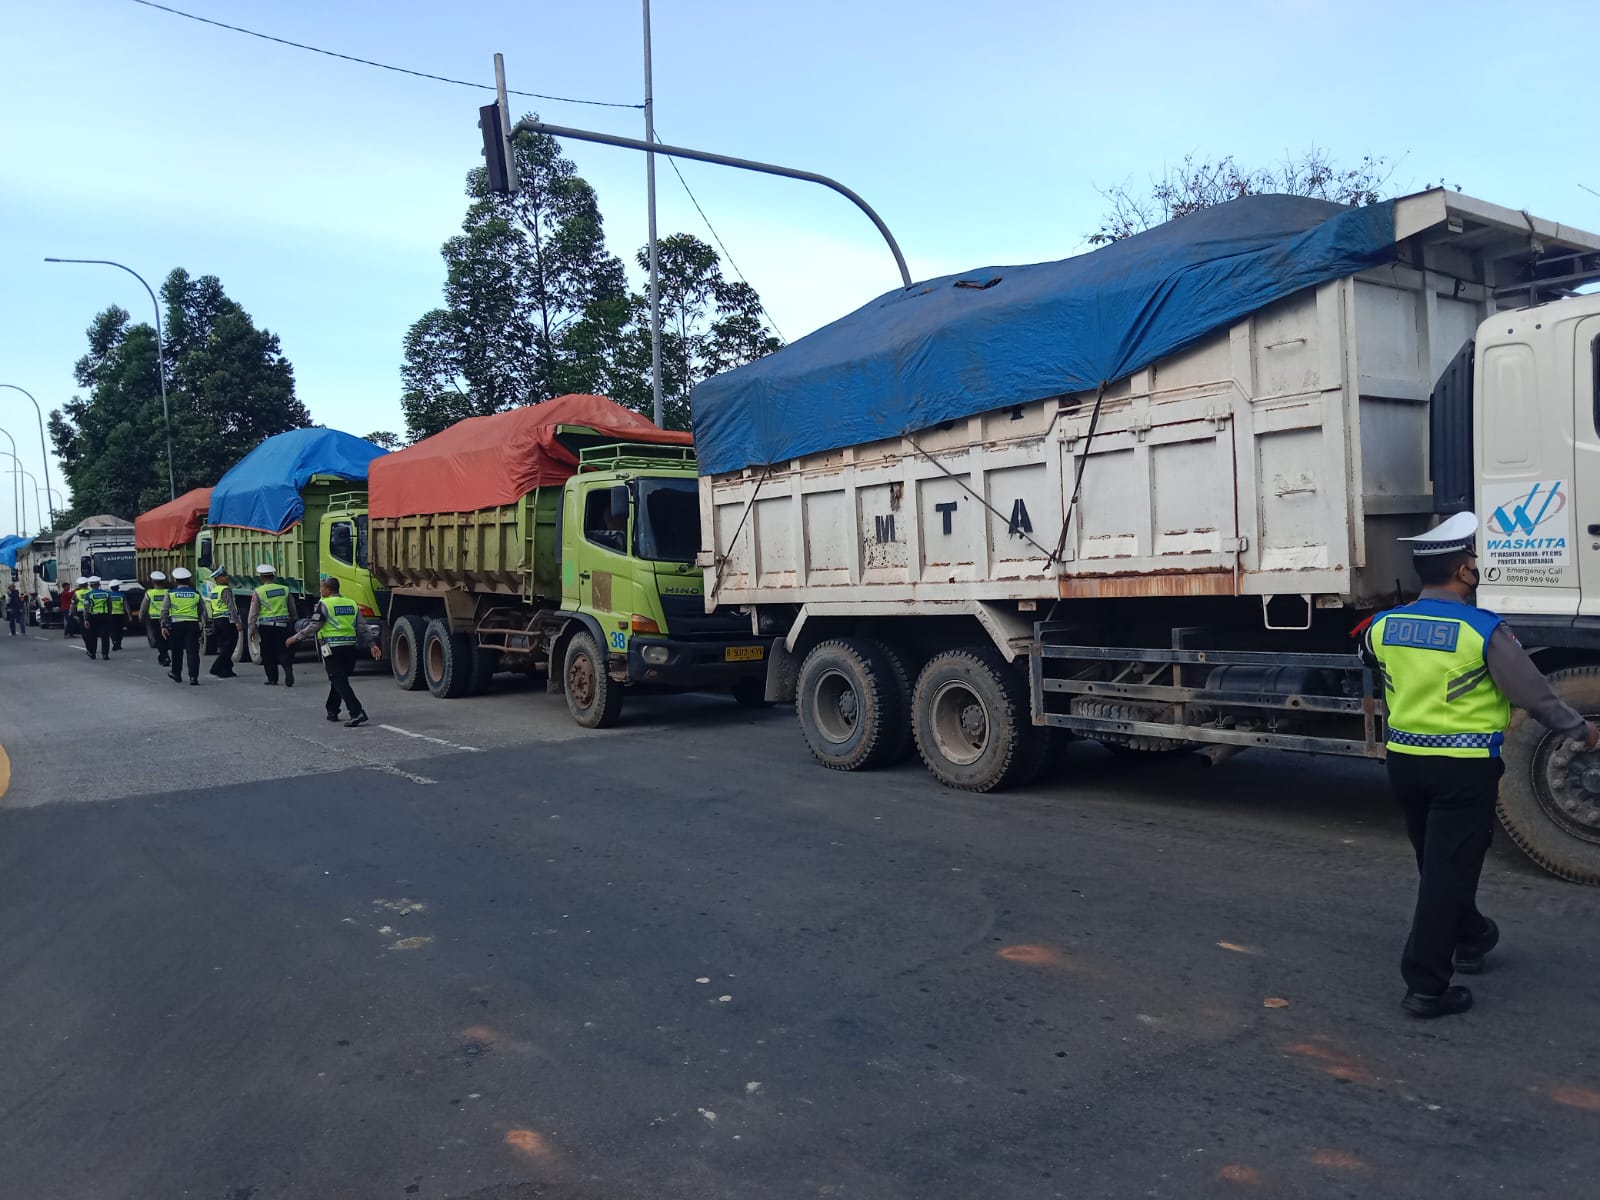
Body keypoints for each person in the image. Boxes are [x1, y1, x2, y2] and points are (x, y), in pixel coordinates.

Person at [1363, 511, 1600, 1018]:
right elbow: (1533, 694)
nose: (1475, 564)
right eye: (1471, 558)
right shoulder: (1483, 631)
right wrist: (1580, 729)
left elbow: (1371, 660)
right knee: (1447, 867)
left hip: (1404, 761)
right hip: (1462, 767)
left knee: (1439, 862)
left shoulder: (1384, 626)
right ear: (1462, 572)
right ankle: (1426, 985)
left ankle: (1470, 935)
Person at [287, 575, 379, 727]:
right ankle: (332, 710)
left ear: (329, 589)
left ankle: (357, 712)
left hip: (332, 648)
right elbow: (362, 627)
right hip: (350, 648)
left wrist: (296, 638)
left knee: (338, 680)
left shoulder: (324, 604)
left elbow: (314, 626)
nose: (320, 590)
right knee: (339, 679)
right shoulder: (351, 604)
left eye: (322, 587)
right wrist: (372, 644)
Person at [247, 563, 296, 687]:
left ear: (261, 577)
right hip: (283, 625)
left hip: (266, 626)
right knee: (283, 649)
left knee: (267, 653)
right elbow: (292, 608)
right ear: (273, 576)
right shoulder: (285, 589)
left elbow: (253, 613)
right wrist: (294, 621)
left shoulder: (258, 591)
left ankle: (272, 678)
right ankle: (287, 668)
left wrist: (251, 629)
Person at [161, 567, 206, 685]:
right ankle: (193, 677)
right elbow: (202, 609)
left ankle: (176, 673)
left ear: (176, 580)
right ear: (189, 580)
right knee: (193, 652)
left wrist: (164, 626)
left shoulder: (170, 594)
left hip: (176, 625)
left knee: (177, 651)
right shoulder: (196, 594)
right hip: (192, 624)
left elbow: (164, 610)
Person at [205, 566, 240, 679]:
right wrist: (237, 621)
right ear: (218, 578)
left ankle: (227, 669)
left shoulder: (214, 590)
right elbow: (231, 607)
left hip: (217, 619)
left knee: (223, 645)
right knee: (230, 645)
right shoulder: (225, 590)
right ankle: (216, 667)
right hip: (226, 620)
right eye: (224, 576)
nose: (227, 577)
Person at [141, 571, 171, 668]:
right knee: (167, 637)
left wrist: (141, 617)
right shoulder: (169, 592)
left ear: (153, 582)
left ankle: (164, 656)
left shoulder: (150, 593)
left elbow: (144, 607)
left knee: (159, 639)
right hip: (167, 618)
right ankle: (164, 655)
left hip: (154, 618)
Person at [82, 576, 111, 660]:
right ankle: (105, 654)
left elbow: (86, 608)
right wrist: (109, 615)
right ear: (99, 584)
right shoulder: (106, 594)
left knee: (92, 636)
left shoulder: (88, 595)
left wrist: (86, 619)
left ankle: (92, 653)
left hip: (92, 617)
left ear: (90, 585)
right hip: (104, 616)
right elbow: (110, 606)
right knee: (105, 636)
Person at [106, 580, 127, 651]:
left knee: (112, 630)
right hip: (120, 614)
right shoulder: (122, 595)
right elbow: (126, 605)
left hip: (111, 614)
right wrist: (129, 614)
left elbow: (107, 605)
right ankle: (119, 643)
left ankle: (114, 642)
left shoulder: (108, 595)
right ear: (118, 587)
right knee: (120, 630)